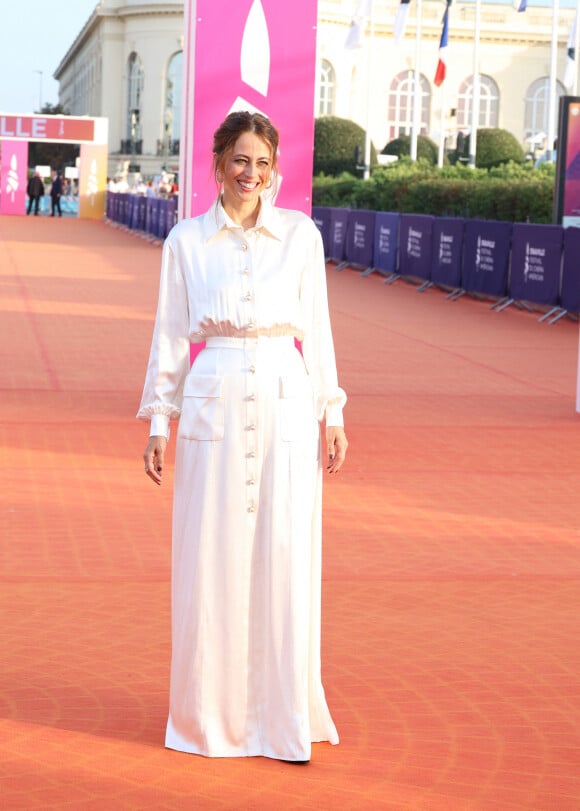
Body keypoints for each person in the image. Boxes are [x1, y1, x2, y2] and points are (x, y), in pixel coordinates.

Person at [138, 111, 348, 763]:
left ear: (274, 167)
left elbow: (317, 326)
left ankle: (281, 715)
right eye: (239, 160)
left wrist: (331, 408)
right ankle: (208, 716)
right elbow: (171, 335)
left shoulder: (300, 238)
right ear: (217, 164)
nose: (251, 173)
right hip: (215, 397)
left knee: (285, 554)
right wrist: (158, 417)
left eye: (262, 162)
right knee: (212, 555)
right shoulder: (186, 241)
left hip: (287, 397)